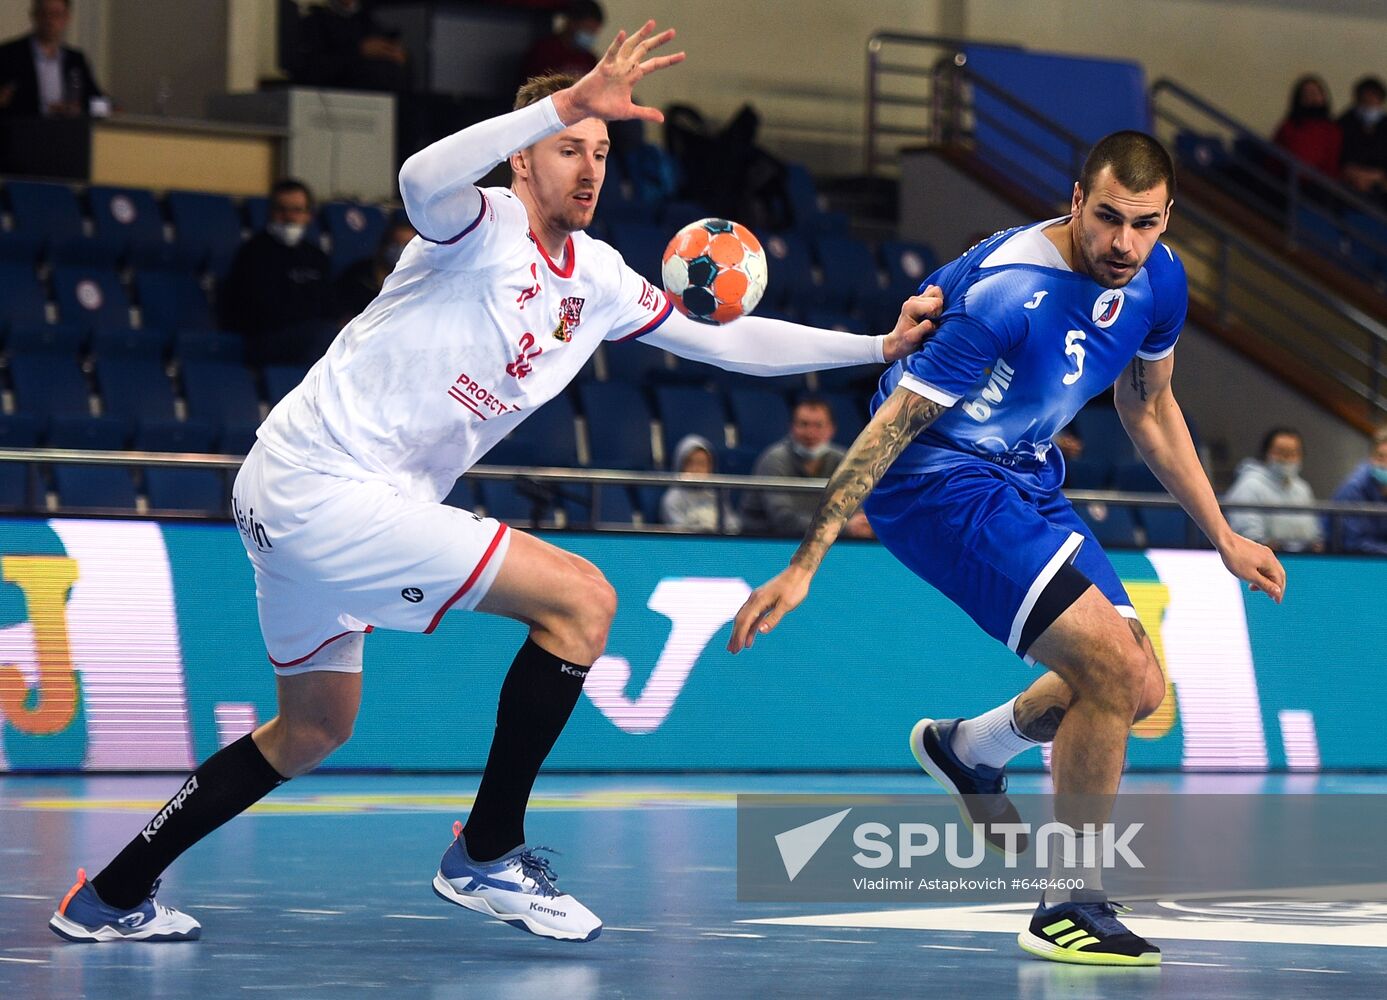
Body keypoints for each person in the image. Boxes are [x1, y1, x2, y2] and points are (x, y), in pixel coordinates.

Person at [48, 21, 941, 945]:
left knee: (313, 727)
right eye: (568, 146)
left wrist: (874, 347)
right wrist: (562, 98)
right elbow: (415, 180)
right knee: (581, 603)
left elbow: (724, 340)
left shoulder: (595, 276)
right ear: (522, 160)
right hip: (323, 486)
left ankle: (111, 894)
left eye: (600, 149)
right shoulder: (477, 223)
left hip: (302, 500)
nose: (589, 165)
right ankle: (486, 854)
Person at [728, 131, 1285, 967]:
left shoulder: (1156, 280)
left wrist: (1222, 533)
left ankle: (968, 748)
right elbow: (890, 426)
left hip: (1024, 470)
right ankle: (1069, 900)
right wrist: (806, 560)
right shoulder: (1005, 294)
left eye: (1142, 224)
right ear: (1073, 201)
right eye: (1105, 219)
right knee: (1102, 666)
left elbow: (1150, 408)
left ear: (1166, 220)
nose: (1121, 243)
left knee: (1135, 688)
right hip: (935, 482)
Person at [220, 179, 335, 368]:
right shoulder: (253, 253)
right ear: (270, 213)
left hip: (312, 336)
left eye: (297, 210)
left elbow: (330, 305)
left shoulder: (317, 256)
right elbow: (253, 310)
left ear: (309, 216)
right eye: (282, 209)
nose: (289, 217)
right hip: (267, 341)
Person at [741, 397, 872, 539]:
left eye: (818, 425)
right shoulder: (774, 459)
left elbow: (856, 509)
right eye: (803, 424)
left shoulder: (844, 460)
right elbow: (784, 520)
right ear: (791, 427)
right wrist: (843, 528)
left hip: (825, 542)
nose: (810, 432)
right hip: (765, 541)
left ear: (831, 429)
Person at [0, 0, 104, 119]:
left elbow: (95, 99)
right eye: (44, 14)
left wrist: (76, 108)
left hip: (66, 131)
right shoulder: (9, 54)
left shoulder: (76, 60)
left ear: (67, 18)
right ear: (34, 16)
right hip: (21, 131)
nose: (49, 21)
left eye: (56, 15)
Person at [1225, 427, 1323, 552]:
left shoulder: (1303, 489)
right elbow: (1248, 536)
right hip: (1262, 562)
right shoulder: (1249, 486)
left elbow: (1315, 534)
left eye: (1293, 453)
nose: (1287, 459)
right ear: (1266, 453)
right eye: (1281, 452)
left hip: (1304, 562)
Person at [290, 0, 408, 94]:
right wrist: (358, 51)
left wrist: (401, 63)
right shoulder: (314, 23)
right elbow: (309, 73)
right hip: (328, 106)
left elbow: (397, 81)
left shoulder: (373, 26)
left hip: (373, 109)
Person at [335, 217, 417, 322]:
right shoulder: (356, 276)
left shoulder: (417, 280)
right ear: (383, 245)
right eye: (396, 244)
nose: (400, 251)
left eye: (406, 246)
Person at [661, 434, 739, 531]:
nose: (696, 469)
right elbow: (678, 532)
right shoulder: (673, 498)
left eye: (702, 464)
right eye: (691, 463)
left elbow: (731, 524)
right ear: (680, 465)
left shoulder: (716, 494)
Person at [1328, 426, 1387, 554]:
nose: (1385, 464)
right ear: (1370, 457)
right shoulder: (1353, 488)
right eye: (1380, 457)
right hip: (1347, 562)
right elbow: (1352, 543)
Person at [1272, 74, 1341, 180]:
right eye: (1306, 93)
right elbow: (1275, 158)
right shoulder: (1288, 126)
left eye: (1315, 93)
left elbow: (1332, 163)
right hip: (1288, 181)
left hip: (1320, 185)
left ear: (1323, 96)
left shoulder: (1331, 129)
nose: (1311, 97)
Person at [520, 0, 604, 84]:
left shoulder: (589, 59)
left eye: (594, 31)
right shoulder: (544, 51)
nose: (590, 35)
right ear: (571, 23)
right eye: (587, 29)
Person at [1338, 75, 1387, 200]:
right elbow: (1338, 152)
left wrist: (1378, 175)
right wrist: (1354, 173)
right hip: (1349, 180)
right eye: (1366, 97)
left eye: (1374, 96)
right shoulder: (1344, 123)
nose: (1370, 100)